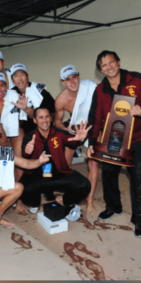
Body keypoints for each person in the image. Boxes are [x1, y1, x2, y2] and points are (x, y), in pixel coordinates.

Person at [87, 50, 141, 238]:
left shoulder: (138, 80)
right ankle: (113, 206)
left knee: (138, 178)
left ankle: (140, 219)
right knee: (109, 173)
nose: (109, 67)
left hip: (137, 139)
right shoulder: (100, 90)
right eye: (104, 65)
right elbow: (95, 118)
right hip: (113, 139)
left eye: (111, 62)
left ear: (118, 62)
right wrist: (92, 142)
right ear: (100, 70)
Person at [19, 108, 92, 215]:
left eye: (47, 116)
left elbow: (71, 141)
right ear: (35, 120)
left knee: (84, 185)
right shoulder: (30, 136)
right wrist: (27, 151)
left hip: (59, 173)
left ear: (51, 118)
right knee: (22, 188)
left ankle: (67, 201)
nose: (44, 120)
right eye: (40, 117)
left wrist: (80, 139)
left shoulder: (58, 133)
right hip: (37, 176)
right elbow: (25, 154)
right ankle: (34, 204)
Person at [54, 64, 100, 216]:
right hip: (74, 129)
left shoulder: (91, 87)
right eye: (68, 79)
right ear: (63, 83)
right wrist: (68, 129)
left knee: (93, 164)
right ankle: (69, 192)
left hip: (92, 128)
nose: (72, 81)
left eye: (74, 77)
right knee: (65, 164)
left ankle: (90, 199)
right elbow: (58, 122)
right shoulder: (60, 100)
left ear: (78, 77)